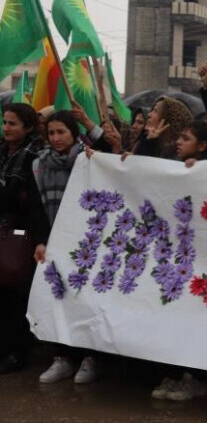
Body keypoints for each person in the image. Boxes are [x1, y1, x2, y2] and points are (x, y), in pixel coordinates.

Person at [32, 110, 103, 384]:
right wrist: (41, 240)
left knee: (85, 300)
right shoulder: (39, 164)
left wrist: (90, 124)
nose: (55, 138)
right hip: (55, 242)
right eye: (51, 133)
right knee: (57, 298)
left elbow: (112, 151)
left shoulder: (89, 158)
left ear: (74, 133)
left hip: (86, 242)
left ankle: (90, 358)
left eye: (61, 132)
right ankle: (62, 357)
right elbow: (37, 207)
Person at [0, 103, 48, 374]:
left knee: (15, 294)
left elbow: (29, 201)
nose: (6, 128)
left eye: (12, 123)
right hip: (3, 229)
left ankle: (17, 352)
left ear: (28, 127)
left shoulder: (35, 157)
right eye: (4, 122)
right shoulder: (3, 151)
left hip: (20, 233)